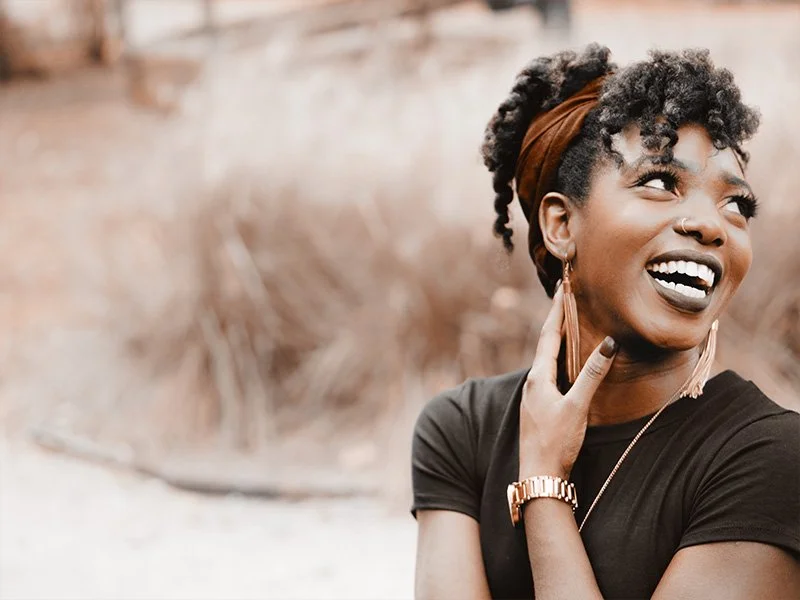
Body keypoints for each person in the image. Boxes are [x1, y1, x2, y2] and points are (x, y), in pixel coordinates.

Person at [411, 44, 799, 599]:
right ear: (562, 225)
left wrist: (543, 486)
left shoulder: (769, 459)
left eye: (737, 205)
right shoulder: (463, 430)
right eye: (661, 182)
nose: (712, 226)